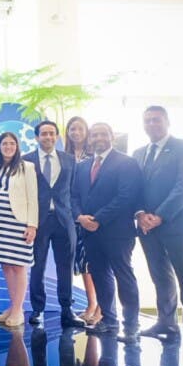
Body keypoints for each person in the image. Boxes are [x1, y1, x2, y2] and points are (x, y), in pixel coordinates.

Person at [133, 106, 183, 355]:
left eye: (156, 120)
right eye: (147, 121)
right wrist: (140, 214)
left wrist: (160, 216)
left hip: (180, 225)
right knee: (161, 277)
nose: (151, 124)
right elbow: (134, 187)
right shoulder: (139, 153)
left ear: (167, 121)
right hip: (147, 227)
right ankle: (167, 324)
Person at [71, 123, 143, 344]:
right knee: (100, 275)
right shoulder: (83, 166)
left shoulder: (127, 163)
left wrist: (98, 219)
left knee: (124, 276)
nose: (98, 138)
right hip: (90, 233)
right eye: (94, 135)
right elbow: (74, 196)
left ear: (112, 136)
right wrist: (80, 217)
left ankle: (131, 326)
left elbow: (126, 197)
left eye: (103, 134)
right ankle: (109, 321)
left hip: (118, 232)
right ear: (89, 139)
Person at [24, 120, 85, 328]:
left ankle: (67, 309)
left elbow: (75, 192)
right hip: (38, 221)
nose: (48, 137)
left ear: (57, 136)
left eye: (52, 133)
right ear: (36, 137)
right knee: (37, 266)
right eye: (44, 134)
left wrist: (76, 215)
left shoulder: (69, 159)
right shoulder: (26, 161)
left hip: (64, 221)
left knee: (65, 267)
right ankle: (37, 309)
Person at [0, 131, 38, 328]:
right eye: (4, 144)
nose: (8, 147)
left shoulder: (26, 167)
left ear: (17, 147)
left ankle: (18, 310)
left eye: (12, 144)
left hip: (17, 223)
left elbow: (32, 197)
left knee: (18, 265)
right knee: (6, 265)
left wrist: (32, 225)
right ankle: (13, 305)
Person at [66, 116, 100, 324]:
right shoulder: (65, 156)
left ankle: (99, 308)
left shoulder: (95, 155)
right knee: (82, 263)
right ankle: (91, 304)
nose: (76, 132)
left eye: (80, 129)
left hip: (92, 216)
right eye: (72, 129)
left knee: (95, 263)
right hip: (72, 216)